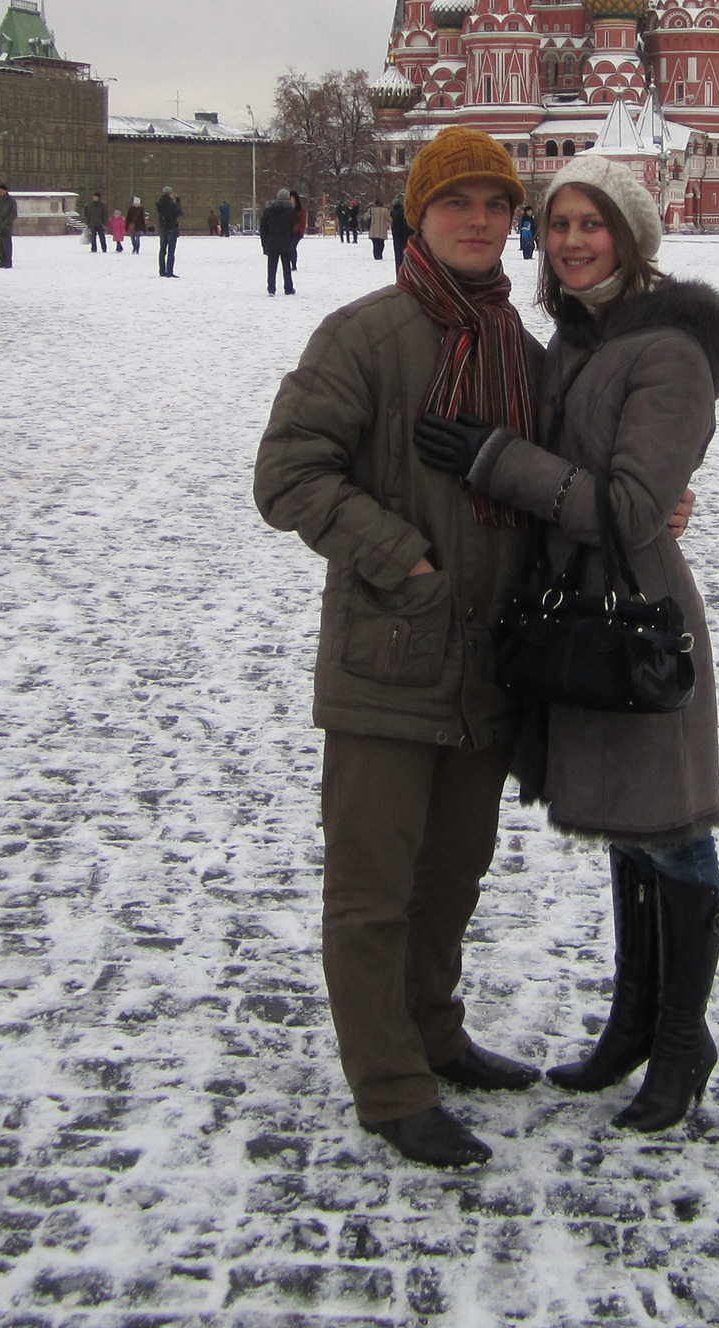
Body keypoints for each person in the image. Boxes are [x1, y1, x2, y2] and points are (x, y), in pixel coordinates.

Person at [437, 153, 719, 1134]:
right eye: (560, 224)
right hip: (583, 605)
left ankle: (681, 1040)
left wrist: (498, 461)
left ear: (631, 236)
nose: (573, 241)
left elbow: (626, 507)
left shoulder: (666, 349)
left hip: (638, 614)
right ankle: (631, 1024)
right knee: (631, 823)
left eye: (594, 224)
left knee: (674, 826)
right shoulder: (580, 335)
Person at [252, 127, 544, 1171]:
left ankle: (434, 1032)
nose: (479, 220)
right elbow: (288, 474)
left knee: (453, 873)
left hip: (487, 666)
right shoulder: (365, 336)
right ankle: (388, 1085)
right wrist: (405, 561)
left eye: (496, 203)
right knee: (373, 887)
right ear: (418, 215)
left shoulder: (522, 351)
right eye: (456, 201)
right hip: (389, 654)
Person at [259, 189, 299, 296]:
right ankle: (288, 288)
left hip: (271, 242)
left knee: (271, 267)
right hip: (286, 242)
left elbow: (263, 229)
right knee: (286, 267)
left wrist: (264, 244)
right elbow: (296, 225)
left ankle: (271, 289)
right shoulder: (290, 211)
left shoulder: (268, 211)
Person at [156, 187, 183, 277]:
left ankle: (162, 271)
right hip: (171, 228)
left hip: (163, 228)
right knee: (171, 252)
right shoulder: (172, 204)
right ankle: (169, 271)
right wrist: (177, 201)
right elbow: (179, 213)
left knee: (162, 250)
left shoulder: (159, 203)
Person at [389, 196, 411, 277]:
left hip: (398, 241)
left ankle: (400, 276)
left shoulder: (395, 214)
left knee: (399, 259)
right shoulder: (406, 212)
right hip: (408, 239)